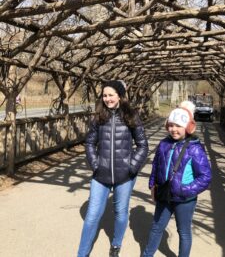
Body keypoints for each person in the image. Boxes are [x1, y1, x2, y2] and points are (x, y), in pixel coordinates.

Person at [77, 80, 148, 257]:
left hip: (125, 176)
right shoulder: (99, 117)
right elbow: (90, 143)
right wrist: (95, 164)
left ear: (120, 95)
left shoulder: (131, 116)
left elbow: (142, 146)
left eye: (111, 95)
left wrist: (132, 168)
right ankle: (82, 253)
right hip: (100, 175)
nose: (107, 98)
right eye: (105, 95)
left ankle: (115, 245)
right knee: (92, 215)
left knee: (121, 212)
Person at [143, 100, 212, 257]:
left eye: (179, 126)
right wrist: (152, 185)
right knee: (156, 227)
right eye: (171, 125)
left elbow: (205, 177)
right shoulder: (163, 144)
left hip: (185, 200)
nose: (174, 129)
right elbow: (156, 166)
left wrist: (184, 190)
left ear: (188, 127)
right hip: (164, 195)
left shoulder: (195, 148)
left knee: (184, 232)